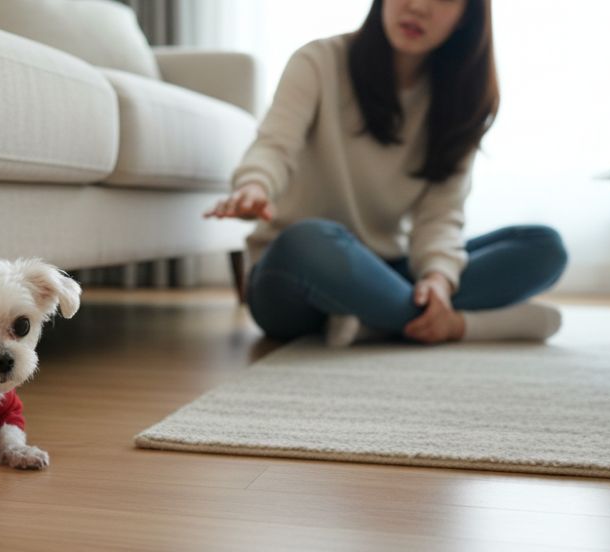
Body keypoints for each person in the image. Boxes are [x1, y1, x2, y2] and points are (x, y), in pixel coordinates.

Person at [205, 0, 567, 346]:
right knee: (307, 240)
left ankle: (381, 320)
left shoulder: (460, 101)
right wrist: (255, 185)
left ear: (467, 16)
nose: (419, 6)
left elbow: (440, 216)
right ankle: (454, 325)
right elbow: (274, 145)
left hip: (386, 270)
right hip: (298, 274)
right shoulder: (318, 61)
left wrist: (438, 279)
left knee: (543, 246)